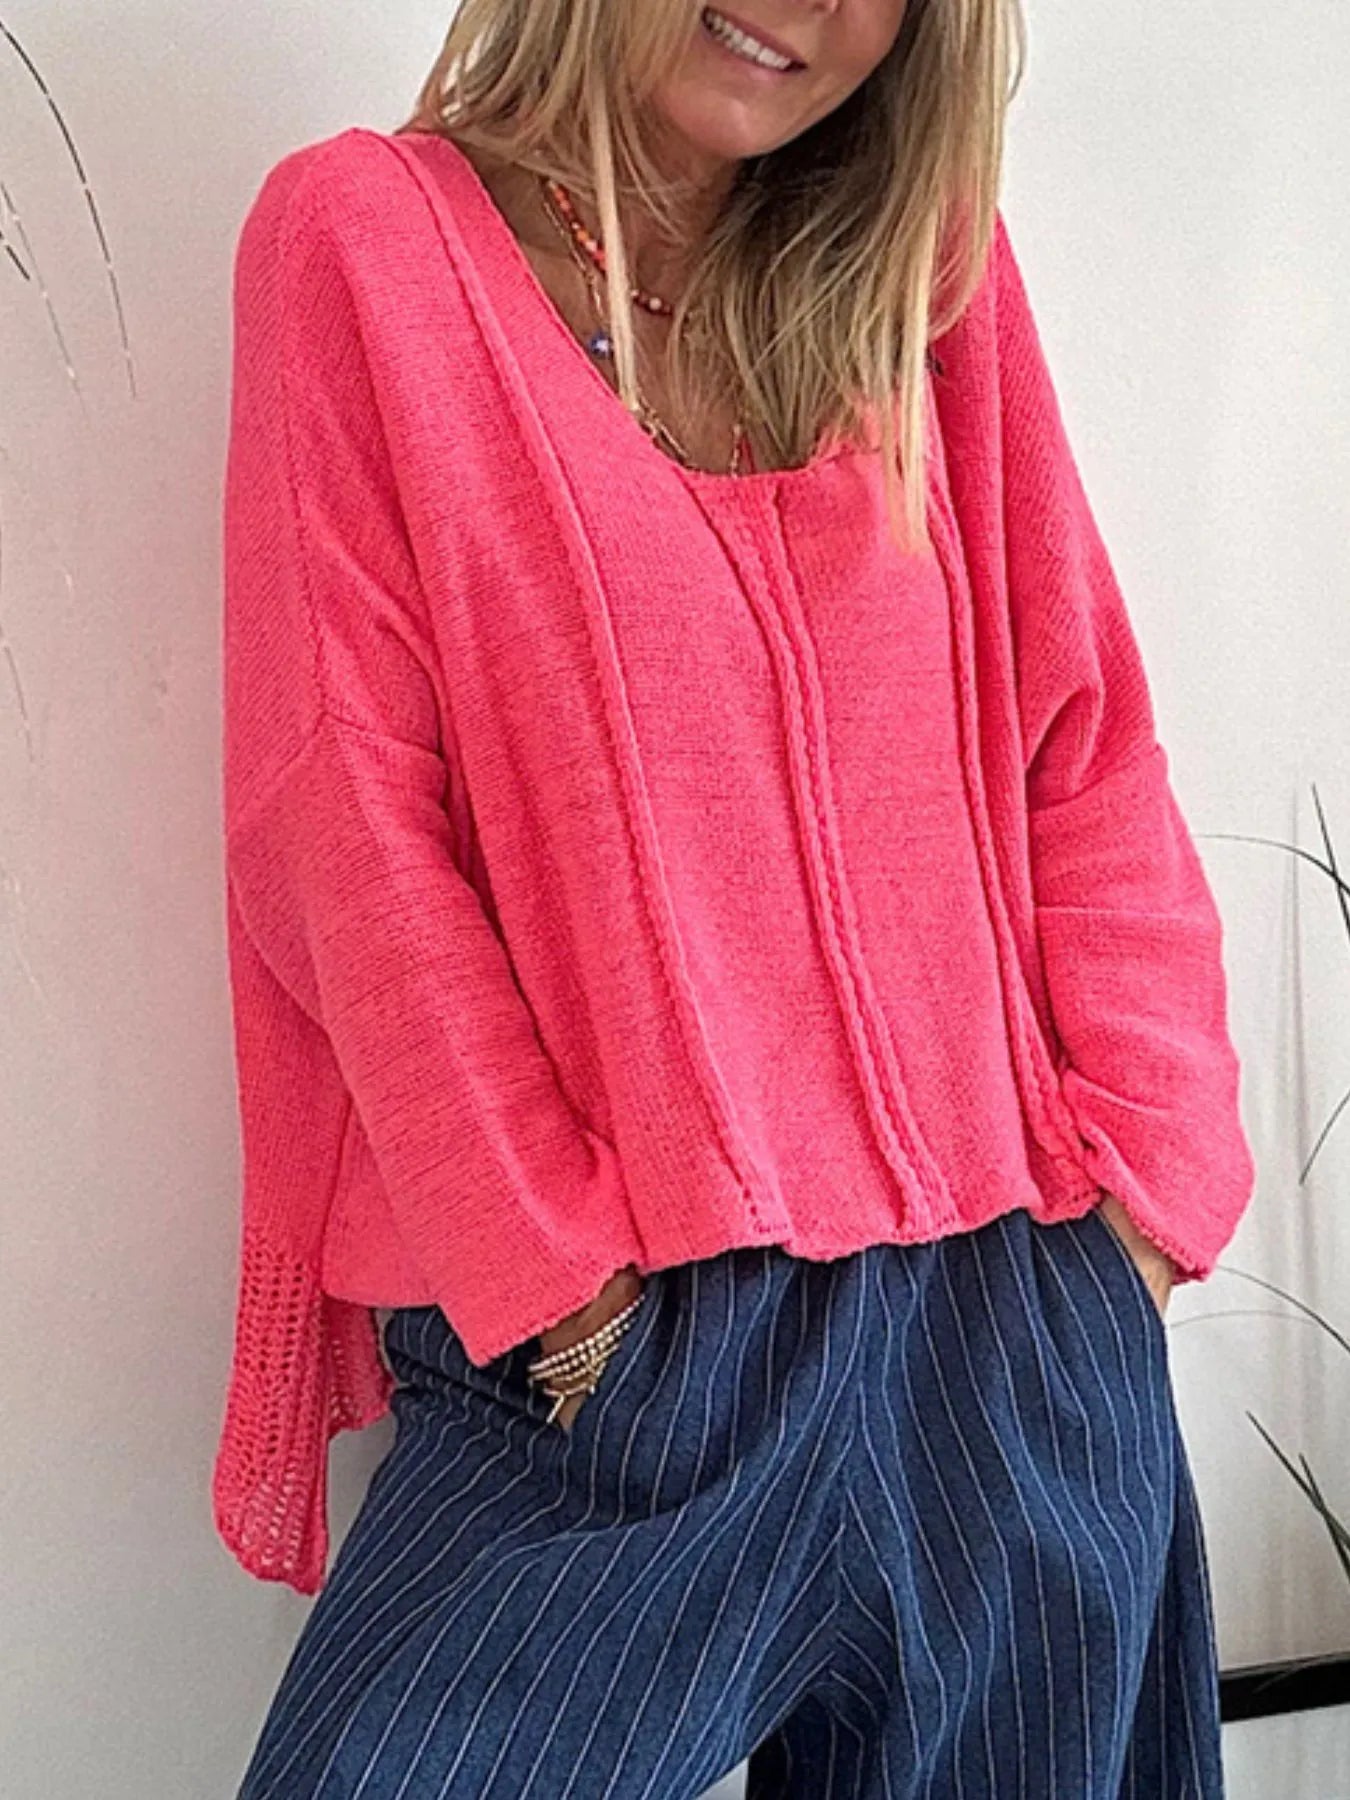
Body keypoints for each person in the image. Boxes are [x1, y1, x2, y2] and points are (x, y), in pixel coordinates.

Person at [217, 2, 1257, 1794]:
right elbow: (344, 816)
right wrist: (558, 1289)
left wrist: (1144, 1210)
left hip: (1007, 1339)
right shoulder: (364, 242)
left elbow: (1077, 740)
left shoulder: (921, 266)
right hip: (619, 1368)